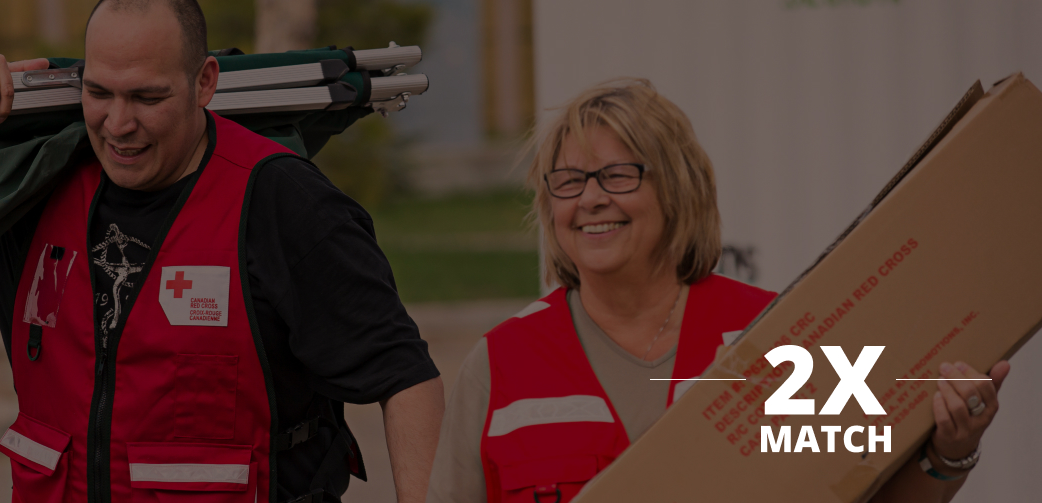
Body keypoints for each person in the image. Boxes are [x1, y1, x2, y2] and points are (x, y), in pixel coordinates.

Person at [0, 1, 445, 502]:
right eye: (99, 93)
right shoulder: (28, 197)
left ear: (204, 82)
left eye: (148, 97)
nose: (119, 124)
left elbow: (403, 378)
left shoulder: (282, 204)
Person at [424, 78, 1010, 503]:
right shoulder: (499, 366)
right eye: (569, 181)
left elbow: (857, 496)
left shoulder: (781, 338)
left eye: (618, 174)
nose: (590, 198)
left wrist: (950, 452)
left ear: (677, 190)